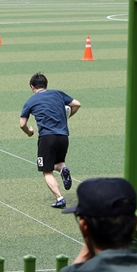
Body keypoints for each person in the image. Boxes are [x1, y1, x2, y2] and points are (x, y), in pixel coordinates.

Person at [20, 73, 80, 209]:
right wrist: (66, 118)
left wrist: (30, 132)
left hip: (47, 138)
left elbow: (22, 124)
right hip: (63, 136)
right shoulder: (58, 94)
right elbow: (76, 104)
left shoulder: (31, 101)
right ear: (46, 85)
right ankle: (63, 169)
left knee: (47, 171)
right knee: (58, 163)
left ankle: (60, 198)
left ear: (32, 87)